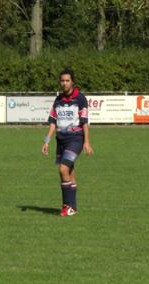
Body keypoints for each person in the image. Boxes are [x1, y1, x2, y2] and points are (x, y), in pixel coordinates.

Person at [42, 67, 94, 216]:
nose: (64, 83)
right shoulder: (58, 100)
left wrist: (87, 142)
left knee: (63, 169)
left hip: (76, 139)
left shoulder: (80, 98)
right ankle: (73, 207)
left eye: (67, 80)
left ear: (72, 82)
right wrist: (47, 141)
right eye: (62, 81)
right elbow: (53, 122)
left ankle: (67, 206)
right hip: (61, 140)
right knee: (69, 172)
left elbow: (84, 122)